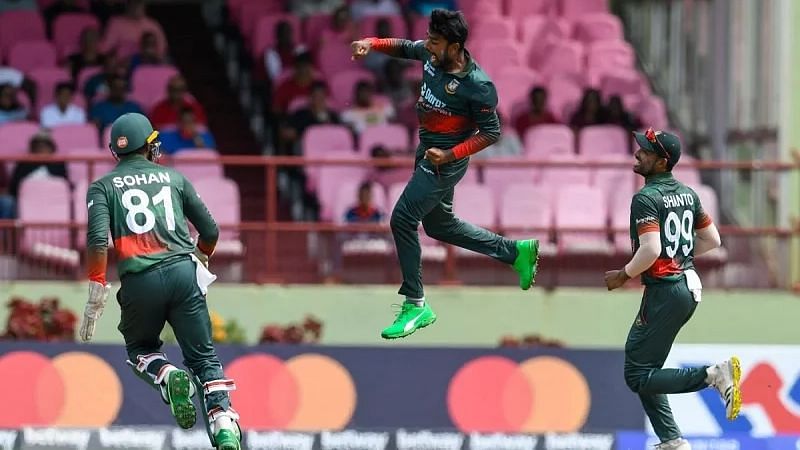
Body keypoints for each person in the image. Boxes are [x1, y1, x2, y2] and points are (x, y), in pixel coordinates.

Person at [351, 9, 539, 339]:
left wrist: (450, 153)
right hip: (427, 151)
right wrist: (372, 43)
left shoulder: (478, 86)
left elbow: (492, 132)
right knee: (440, 226)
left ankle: (415, 303)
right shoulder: (431, 53)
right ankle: (515, 252)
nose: (429, 46)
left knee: (402, 219)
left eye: (435, 42)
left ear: (455, 47)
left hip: (444, 161)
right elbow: (407, 47)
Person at [78, 113, 241, 450]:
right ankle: (224, 424)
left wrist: (96, 286)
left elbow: (97, 242)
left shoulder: (102, 186)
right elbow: (210, 231)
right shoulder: (173, 178)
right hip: (183, 273)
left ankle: (167, 375)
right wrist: (202, 254)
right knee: (205, 360)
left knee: (140, 348)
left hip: (139, 281)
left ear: (115, 152)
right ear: (150, 145)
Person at [604, 128, 741, 450]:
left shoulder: (646, 197)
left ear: (662, 161)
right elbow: (713, 241)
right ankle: (672, 440)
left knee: (636, 375)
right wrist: (679, 257)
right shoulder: (689, 194)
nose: (638, 154)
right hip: (686, 285)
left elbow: (650, 249)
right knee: (648, 371)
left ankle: (713, 375)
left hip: (666, 290)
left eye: (646, 151)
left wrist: (623, 275)